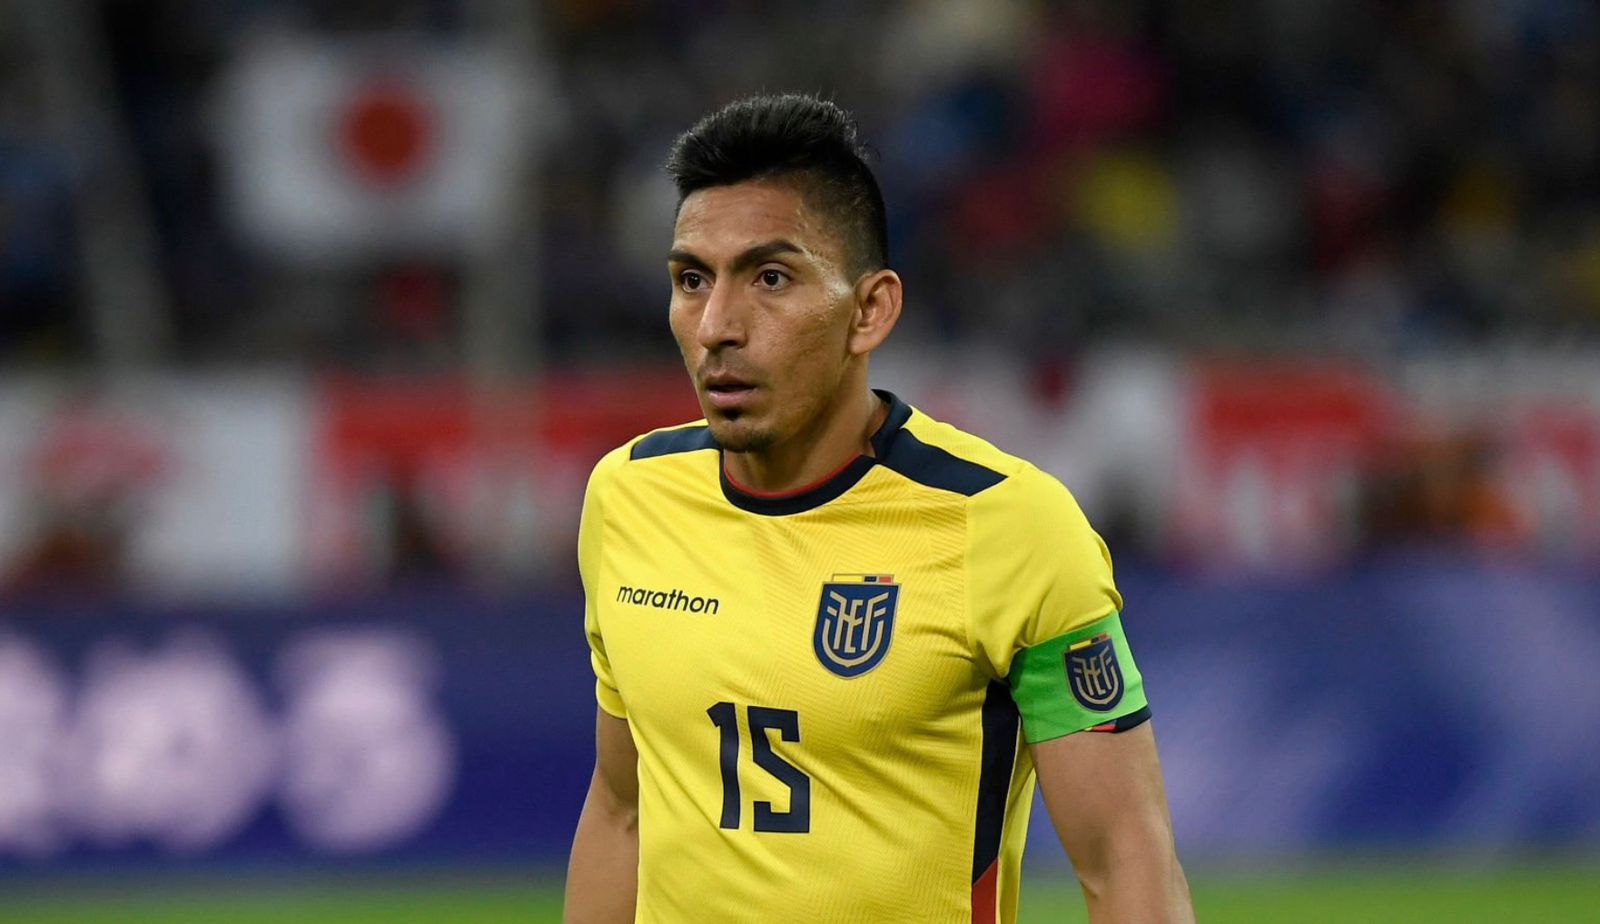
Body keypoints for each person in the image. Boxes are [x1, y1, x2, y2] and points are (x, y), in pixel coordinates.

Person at [564, 94, 1192, 924]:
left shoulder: (1007, 527)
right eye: (692, 280)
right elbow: (622, 809)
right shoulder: (628, 497)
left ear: (870, 311)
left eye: (771, 278)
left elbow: (1125, 856)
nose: (716, 325)